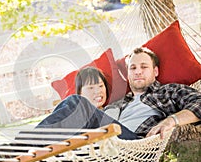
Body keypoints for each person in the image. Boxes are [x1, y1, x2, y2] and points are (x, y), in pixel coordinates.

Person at [37, 47, 201, 140]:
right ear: (128, 73)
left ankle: (22, 147)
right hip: (99, 145)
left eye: (144, 67)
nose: (138, 72)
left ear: (155, 71)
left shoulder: (166, 91)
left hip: (132, 146)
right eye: (133, 68)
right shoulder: (116, 103)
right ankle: (29, 157)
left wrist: (171, 121)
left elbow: (199, 103)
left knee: (76, 102)